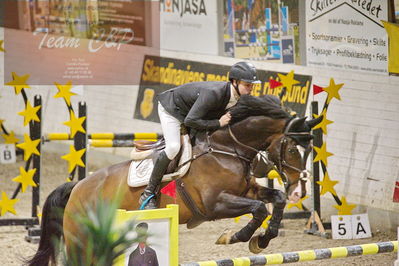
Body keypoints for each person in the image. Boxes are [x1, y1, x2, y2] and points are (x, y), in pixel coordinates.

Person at [139, 61, 260, 209]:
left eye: (252, 85)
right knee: (173, 147)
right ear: (234, 82)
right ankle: (149, 192)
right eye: (247, 85)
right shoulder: (214, 93)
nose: (251, 89)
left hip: (194, 114)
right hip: (173, 110)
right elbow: (191, 120)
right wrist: (218, 123)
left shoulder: (237, 97)